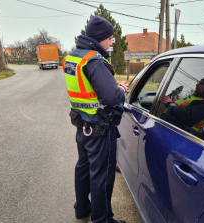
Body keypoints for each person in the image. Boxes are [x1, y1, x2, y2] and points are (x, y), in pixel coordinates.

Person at [63, 16, 128, 223]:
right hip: (100, 128)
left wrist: (109, 85)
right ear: (100, 38)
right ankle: (102, 219)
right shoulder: (94, 61)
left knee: (83, 167)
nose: (111, 43)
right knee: (102, 175)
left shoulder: (74, 57)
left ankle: (82, 208)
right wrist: (120, 88)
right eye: (110, 38)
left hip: (82, 126)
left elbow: (88, 89)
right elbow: (111, 97)